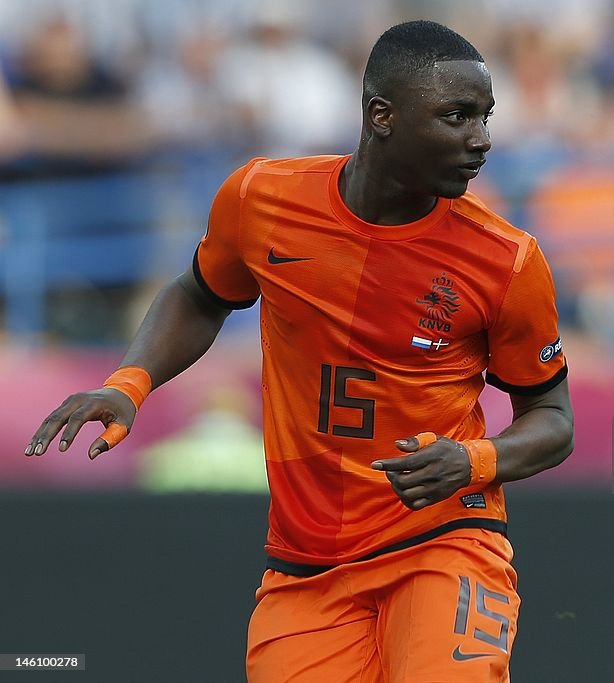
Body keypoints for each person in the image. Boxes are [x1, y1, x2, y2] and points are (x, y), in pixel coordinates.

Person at [25, 20, 574, 683]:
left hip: (443, 542)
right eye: (457, 116)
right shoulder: (263, 198)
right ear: (382, 116)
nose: (481, 138)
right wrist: (131, 381)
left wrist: (473, 459)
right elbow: (202, 293)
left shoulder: (506, 260)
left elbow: (554, 419)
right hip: (307, 567)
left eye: (485, 115)